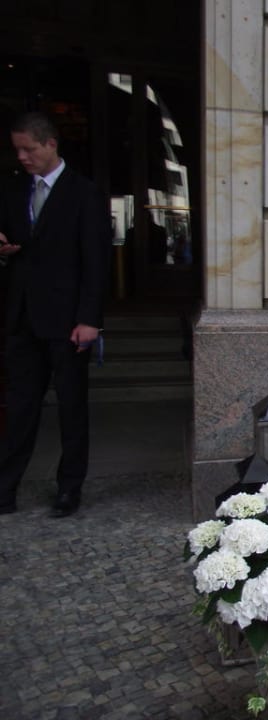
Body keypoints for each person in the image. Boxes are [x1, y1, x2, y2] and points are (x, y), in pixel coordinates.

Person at [0, 111, 112, 517]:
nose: (22, 157)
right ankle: (6, 486)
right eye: (18, 150)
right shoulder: (12, 191)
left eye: (28, 149)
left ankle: (69, 488)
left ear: (50, 144)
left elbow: (95, 261)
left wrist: (90, 319)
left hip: (68, 321)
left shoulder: (84, 193)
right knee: (20, 406)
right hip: (22, 318)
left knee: (71, 408)